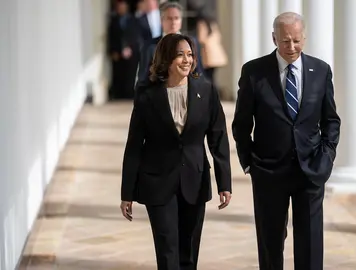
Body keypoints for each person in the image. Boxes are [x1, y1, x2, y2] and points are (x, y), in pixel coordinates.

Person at [232, 12, 340, 270]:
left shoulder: (321, 70)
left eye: (296, 40)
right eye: (284, 41)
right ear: (274, 39)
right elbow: (242, 123)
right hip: (268, 172)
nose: (291, 47)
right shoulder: (254, 72)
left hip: (311, 170)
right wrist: (250, 164)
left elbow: (331, 120)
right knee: (270, 244)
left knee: (311, 244)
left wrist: (326, 158)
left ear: (304, 38)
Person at [120, 33, 232, 270]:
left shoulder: (206, 91)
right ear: (166, 58)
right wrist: (127, 192)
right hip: (157, 182)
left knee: (189, 252)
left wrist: (225, 183)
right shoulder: (147, 94)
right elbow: (134, 145)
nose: (187, 60)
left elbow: (218, 139)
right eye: (180, 55)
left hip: (194, 178)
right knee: (167, 249)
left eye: (190, 55)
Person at [135, 1, 204, 87]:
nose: (173, 22)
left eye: (176, 18)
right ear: (161, 20)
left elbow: (199, 73)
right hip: (159, 95)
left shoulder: (191, 43)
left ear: (181, 20)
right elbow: (143, 78)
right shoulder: (150, 46)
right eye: (169, 18)